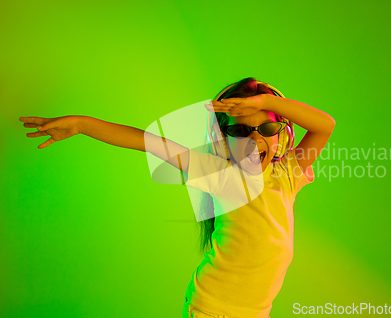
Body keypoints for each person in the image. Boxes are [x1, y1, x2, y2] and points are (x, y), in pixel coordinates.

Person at [19, 77, 335, 318]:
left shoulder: (288, 174)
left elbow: (324, 125)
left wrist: (268, 101)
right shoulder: (219, 173)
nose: (253, 140)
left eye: (265, 127)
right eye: (239, 132)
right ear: (222, 140)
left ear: (281, 132)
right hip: (213, 308)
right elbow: (150, 143)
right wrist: (81, 124)